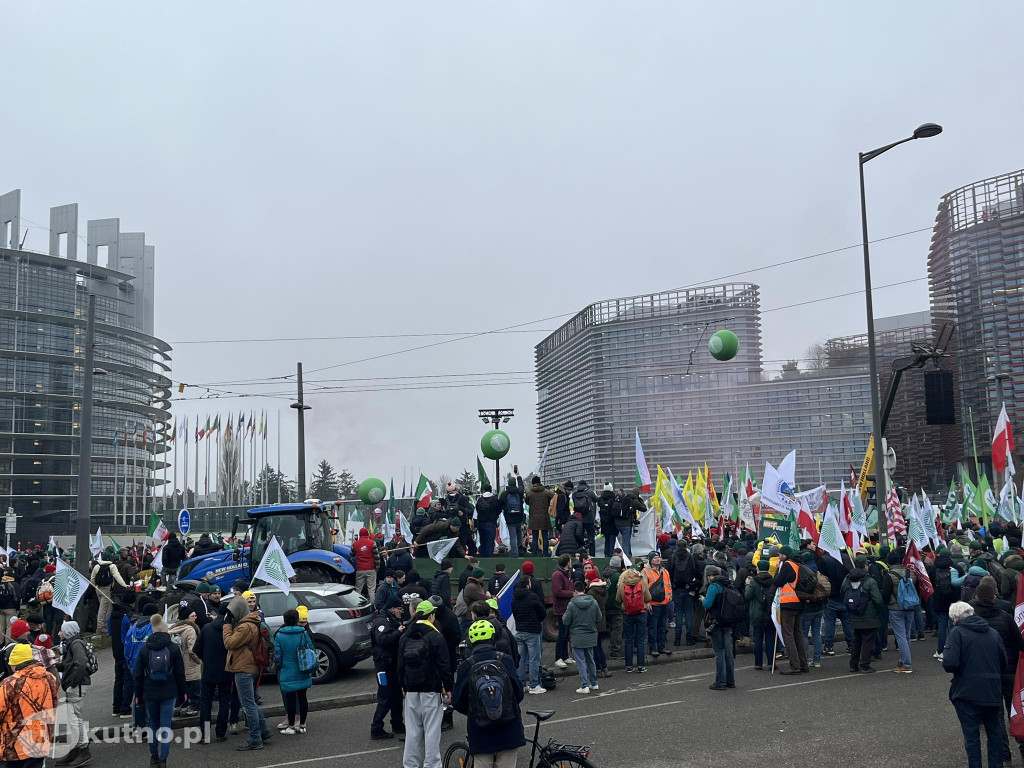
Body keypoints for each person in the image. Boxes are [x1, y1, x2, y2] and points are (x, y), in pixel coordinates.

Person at [452, 620, 525, 768]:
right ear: (493, 638)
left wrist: (477, 709)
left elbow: (457, 702)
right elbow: (519, 693)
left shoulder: (466, 666)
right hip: (508, 729)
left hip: (480, 733)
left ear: (471, 641)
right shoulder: (505, 660)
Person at [943, 601, 1007, 768]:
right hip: (992, 691)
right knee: (994, 734)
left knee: (972, 737)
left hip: (967, 692)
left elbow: (949, 663)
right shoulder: (993, 633)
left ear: (956, 617)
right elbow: (1003, 662)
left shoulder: (957, 633)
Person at [971, 576, 1024, 762]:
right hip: (1010, 671)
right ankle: (1022, 748)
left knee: (996, 717)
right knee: (1016, 712)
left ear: (976, 597)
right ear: (994, 597)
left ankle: (1003, 754)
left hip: (986, 674)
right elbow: (1020, 644)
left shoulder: (971, 620)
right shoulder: (1006, 617)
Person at [398, 600, 452, 768]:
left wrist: (403, 687)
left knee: (412, 732)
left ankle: (410, 764)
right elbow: (444, 665)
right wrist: (448, 688)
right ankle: (432, 764)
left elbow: (400, 666)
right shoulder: (436, 636)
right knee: (432, 731)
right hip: (432, 689)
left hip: (411, 690)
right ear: (431, 615)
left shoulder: (405, 636)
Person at [134, 613, 186, 768]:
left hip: (149, 692)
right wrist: (183, 692)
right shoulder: (173, 648)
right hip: (169, 692)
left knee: (153, 724)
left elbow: (137, 674)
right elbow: (179, 672)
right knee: (165, 726)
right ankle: (164, 759)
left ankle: (153, 757)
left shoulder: (145, 649)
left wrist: (138, 695)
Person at [223, 595, 272, 751]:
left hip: (243, 668)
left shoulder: (245, 626)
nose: (230, 615)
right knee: (251, 702)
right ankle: (264, 731)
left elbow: (229, 643)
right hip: (249, 666)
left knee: (248, 705)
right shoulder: (251, 622)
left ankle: (255, 739)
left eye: (231, 612)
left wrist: (226, 625)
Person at [0, 642, 59, 768]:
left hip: (15, 744)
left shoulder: (9, 684)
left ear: (15, 663)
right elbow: (54, 705)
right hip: (40, 739)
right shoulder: (50, 678)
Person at [56, 621, 92, 768]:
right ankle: (77, 750)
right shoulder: (74, 643)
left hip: (77, 685)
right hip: (77, 684)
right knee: (74, 718)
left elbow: (80, 662)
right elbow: (73, 663)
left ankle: (83, 750)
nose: (59, 633)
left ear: (68, 632)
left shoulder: (76, 643)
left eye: (61, 631)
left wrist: (73, 682)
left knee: (74, 718)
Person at [273, 609, 315, 735]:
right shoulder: (303, 633)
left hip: (287, 670)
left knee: (290, 699)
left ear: (284, 620)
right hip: (302, 669)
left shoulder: (280, 635)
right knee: (303, 698)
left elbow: (278, 656)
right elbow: (311, 649)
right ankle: (302, 725)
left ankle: (291, 726)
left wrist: (279, 667)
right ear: (297, 620)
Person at [840, 555, 884, 673]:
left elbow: (842, 593)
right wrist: (878, 610)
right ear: (865, 566)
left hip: (854, 615)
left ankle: (853, 665)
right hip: (869, 616)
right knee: (868, 641)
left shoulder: (847, 579)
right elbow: (878, 599)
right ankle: (864, 665)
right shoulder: (870, 581)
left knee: (856, 640)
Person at [370, 596, 406, 740]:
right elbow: (383, 640)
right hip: (383, 666)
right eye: (400, 609)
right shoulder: (381, 621)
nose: (401, 612)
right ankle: (376, 728)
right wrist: (398, 632)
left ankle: (397, 724)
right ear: (392, 608)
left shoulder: (392, 619)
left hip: (392, 664)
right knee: (385, 696)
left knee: (397, 695)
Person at [195, 605, 232, 743]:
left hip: (208, 670)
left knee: (206, 702)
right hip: (225, 670)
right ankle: (220, 733)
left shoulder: (206, 628)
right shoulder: (229, 629)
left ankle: (204, 735)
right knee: (224, 701)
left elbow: (196, 648)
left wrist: (206, 658)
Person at [702, 566, 739, 690]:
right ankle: (730, 680)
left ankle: (720, 682)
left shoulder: (714, 586)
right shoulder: (728, 584)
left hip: (716, 622)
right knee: (728, 651)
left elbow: (708, 603)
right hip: (728, 622)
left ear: (710, 576)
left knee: (719, 652)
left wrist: (703, 599)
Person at [772, 546, 807, 675]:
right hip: (799, 602)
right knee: (798, 634)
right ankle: (803, 664)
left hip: (789, 603)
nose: (779, 556)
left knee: (788, 635)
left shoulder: (787, 565)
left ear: (785, 555)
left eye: (780, 554)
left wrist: (777, 570)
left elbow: (777, 582)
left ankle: (795, 666)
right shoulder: (798, 564)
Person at [562, 581, 601, 694]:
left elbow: (565, 620)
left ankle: (584, 685)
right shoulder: (593, 602)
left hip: (577, 636)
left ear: (574, 591)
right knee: (590, 660)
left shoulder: (571, 604)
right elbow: (599, 618)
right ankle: (594, 683)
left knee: (580, 662)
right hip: (591, 635)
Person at [511, 576, 546, 694]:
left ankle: (521, 685)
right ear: (527, 585)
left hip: (520, 630)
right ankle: (534, 685)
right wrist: (537, 620)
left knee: (521, 659)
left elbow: (515, 613)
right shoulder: (533, 597)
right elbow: (542, 612)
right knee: (534, 659)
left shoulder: (514, 598)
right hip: (532, 631)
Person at [885, 550, 916, 674]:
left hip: (895, 608)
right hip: (910, 606)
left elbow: (886, 595)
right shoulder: (911, 573)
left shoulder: (889, 575)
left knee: (900, 636)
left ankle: (907, 664)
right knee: (906, 635)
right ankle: (903, 660)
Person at [168, 604, 202, 716]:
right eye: (193, 615)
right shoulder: (190, 630)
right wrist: (199, 661)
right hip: (191, 664)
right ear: (187, 618)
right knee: (195, 689)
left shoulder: (174, 629)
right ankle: (193, 709)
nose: (196, 617)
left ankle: (179, 707)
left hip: (179, 664)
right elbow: (192, 650)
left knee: (182, 689)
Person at [618, 563, 652, 673]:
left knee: (628, 640)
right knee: (640, 640)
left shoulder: (622, 581)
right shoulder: (641, 580)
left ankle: (628, 666)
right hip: (641, 612)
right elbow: (648, 598)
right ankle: (641, 666)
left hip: (627, 613)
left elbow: (618, 599)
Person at [819, 551, 854, 657]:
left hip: (831, 595)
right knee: (847, 622)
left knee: (830, 622)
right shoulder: (846, 558)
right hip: (845, 595)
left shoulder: (824, 560)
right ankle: (852, 644)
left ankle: (829, 647)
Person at [744, 560, 776, 670]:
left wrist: (747, 585)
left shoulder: (753, 581)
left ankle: (758, 663)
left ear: (758, 568)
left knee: (758, 638)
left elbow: (747, 596)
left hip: (757, 613)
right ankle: (771, 662)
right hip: (770, 612)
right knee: (770, 637)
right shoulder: (773, 581)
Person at [108, 593, 136, 718]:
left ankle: (116, 708)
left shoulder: (111, 616)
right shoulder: (128, 616)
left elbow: (109, 632)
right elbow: (129, 635)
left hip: (116, 651)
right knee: (128, 680)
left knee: (118, 680)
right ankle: (125, 708)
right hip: (126, 652)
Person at [644, 554, 673, 658]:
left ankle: (661, 647)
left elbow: (668, 586)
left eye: (659, 557)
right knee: (653, 627)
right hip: (654, 604)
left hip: (664, 603)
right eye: (655, 557)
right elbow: (643, 588)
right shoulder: (646, 572)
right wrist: (646, 602)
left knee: (662, 627)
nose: (658, 559)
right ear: (651, 560)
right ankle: (653, 648)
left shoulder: (665, 571)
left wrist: (669, 599)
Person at [551, 555, 575, 668]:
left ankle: (565, 656)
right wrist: (572, 593)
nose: (571, 563)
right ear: (567, 563)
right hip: (561, 609)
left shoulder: (564, 574)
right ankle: (558, 658)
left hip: (566, 608)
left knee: (566, 634)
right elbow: (558, 591)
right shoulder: (558, 574)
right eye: (570, 561)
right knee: (562, 634)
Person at [498, 474, 526, 557]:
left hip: (510, 518)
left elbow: (500, 504)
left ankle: (514, 553)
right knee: (519, 533)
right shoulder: (519, 492)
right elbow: (521, 486)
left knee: (513, 537)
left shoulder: (504, 494)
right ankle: (520, 549)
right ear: (515, 484)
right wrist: (518, 476)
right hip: (519, 517)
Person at [524, 477, 554, 557]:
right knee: (545, 537)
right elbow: (552, 498)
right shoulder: (546, 492)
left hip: (534, 518)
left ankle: (535, 554)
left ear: (533, 483)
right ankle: (545, 554)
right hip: (544, 518)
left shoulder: (530, 493)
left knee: (535, 538)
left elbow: (526, 502)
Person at [603, 556, 624, 658]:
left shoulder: (608, 575)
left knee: (612, 629)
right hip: (616, 606)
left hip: (607, 605)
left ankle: (613, 647)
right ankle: (616, 651)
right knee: (617, 629)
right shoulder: (618, 576)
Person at [571, 480, 600, 557]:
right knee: (591, 536)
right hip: (589, 518)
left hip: (579, 518)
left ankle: (581, 554)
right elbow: (597, 499)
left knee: (580, 536)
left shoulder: (574, 494)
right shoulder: (589, 492)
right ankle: (592, 554)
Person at [475, 484, 502, 559]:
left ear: (484, 490)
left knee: (483, 541)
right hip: (491, 522)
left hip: (481, 523)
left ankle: (482, 557)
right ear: (491, 490)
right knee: (490, 542)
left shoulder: (480, 499)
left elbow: (477, 510)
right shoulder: (495, 499)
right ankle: (489, 559)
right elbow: (499, 510)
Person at [353, 528, 380, 600]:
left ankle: (356, 604)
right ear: (368, 534)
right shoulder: (372, 543)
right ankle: (372, 605)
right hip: (371, 569)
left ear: (359, 534)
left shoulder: (355, 544)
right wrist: (377, 568)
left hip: (360, 569)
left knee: (358, 589)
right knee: (371, 590)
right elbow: (377, 557)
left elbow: (351, 555)